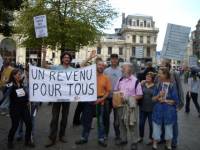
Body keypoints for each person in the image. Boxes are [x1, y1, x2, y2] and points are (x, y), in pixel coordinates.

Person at [46, 50, 96, 147]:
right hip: (56, 98)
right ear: (62, 59)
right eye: (65, 57)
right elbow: (44, 67)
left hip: (67, 98)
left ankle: (62, 135)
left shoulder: (72, 70)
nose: (66, 59)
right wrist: (43, 54)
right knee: (54, 118)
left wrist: (89, 58)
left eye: (68, 58)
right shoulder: (56, 67)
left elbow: (81, 66)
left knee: (65, 118)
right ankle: (52, 137)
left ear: (70, 60)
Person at [75, 59, 111, 147]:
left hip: (100, 102)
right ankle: (84, 138)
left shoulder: (106, 78)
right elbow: (80, 67)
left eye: (103, 65)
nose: (101, 66)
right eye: (99, 65)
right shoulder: (89, 75)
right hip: (88, 101)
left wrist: (101, 99)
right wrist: (89, 57)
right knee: (87, 121)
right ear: (95, 65)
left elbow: (108, 91)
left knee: (101, 122)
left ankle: (101, 138)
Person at [1, 69, 35, 149]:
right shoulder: (10, 85)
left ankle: (27, 141)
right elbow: (5, 91)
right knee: (15, 126)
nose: (19, 75)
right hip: (15, 109)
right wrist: (6, 84)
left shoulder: (22, 83)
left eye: (20, 74)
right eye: (17, 74)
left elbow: (24, 94)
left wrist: (27, 100)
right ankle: (10, 141)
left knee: (29, 124)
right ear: (13, 76)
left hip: (24, 108)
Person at [114, 62, 143, 150]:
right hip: (120, 106)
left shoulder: (136, 81)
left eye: (123, 68)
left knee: (132, 124)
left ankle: (134, 142)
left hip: (131, 107)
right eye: (122, 68)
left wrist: (127, 98)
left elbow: (140, 95)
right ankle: (124, 139)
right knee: (122, 123)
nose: (122, 69)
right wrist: (114, 101)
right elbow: (115, 91)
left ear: (129, 69)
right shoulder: (120, 79)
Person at [152, 68, 179, 150]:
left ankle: (168, 145)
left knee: (168, 128)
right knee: (156, 127)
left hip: (169, 111)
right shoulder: (157, 85)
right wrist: (158, 96)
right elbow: (153, 99)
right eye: (158, 73)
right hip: (158, 110)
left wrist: (165, 100)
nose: (158, 75)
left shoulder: (172, 85)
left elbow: (175, 101)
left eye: (160, 73)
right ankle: (155, 144)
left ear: (166, 75)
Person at [103, 54, 122, 140]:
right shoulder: (106, 71)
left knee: (117, 117)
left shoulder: (121, 70)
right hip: (107, 97)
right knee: (106, 117)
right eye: (112, 59)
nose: (114, 60)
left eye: (115, 59)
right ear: (110, 60)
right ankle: (105, 134)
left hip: (117, 97)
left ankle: (117, 134)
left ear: (118, 60)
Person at [138, 72, 156, 145]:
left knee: (151, 124)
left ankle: (151, 138)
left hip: (152, 109)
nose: (147, 78)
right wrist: (140, 83)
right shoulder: (142, 85)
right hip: (142, 108)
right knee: (141, 124)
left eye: (149, 77)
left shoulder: (155, 86)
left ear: (152, 79)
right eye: (146, 77)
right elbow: (137, 90)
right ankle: (141, 137)